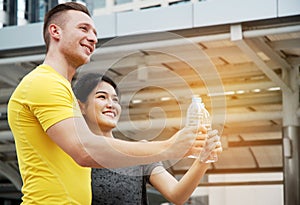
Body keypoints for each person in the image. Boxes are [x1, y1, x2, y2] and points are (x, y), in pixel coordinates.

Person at [7, 2, 207, 204]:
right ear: (55, 31)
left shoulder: (60, 88)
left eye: (95, 32)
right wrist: (168, 147)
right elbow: (86, 151)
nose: (93, 38)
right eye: (83, 28)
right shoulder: (44, 82)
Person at [72, 72, 222, 205]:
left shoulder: (141, 151)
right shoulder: (75, 153)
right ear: (81, 106)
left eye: (115, 100)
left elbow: (177, 195)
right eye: (102, 97)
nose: (111, 105)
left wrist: (202, 160)